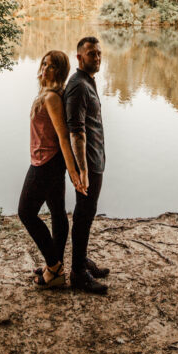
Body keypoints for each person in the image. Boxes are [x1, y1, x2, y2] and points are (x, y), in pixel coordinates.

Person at [18, 50, 87, 289]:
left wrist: (74, 172)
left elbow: (63, 137)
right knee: (57, 212)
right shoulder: (48, 94)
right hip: (48, 160)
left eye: (52, 66)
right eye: (44, 63)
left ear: (61, 71)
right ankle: (53, 267)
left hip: (46, 162)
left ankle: (55, 267)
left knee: (26, 213)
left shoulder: (52, 98)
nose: (46, 69)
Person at [64, 36, 111, 294]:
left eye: (99, 54)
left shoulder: (88, 82)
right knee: (83, 215)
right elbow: (77, 132)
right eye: (92, 54)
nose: (97, 58)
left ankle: (81, 260)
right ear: (79, 57)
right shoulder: (78, 86)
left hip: (95, 159)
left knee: (87, 213)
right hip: (88, 164)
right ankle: (78, 274)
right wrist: (82, 171)